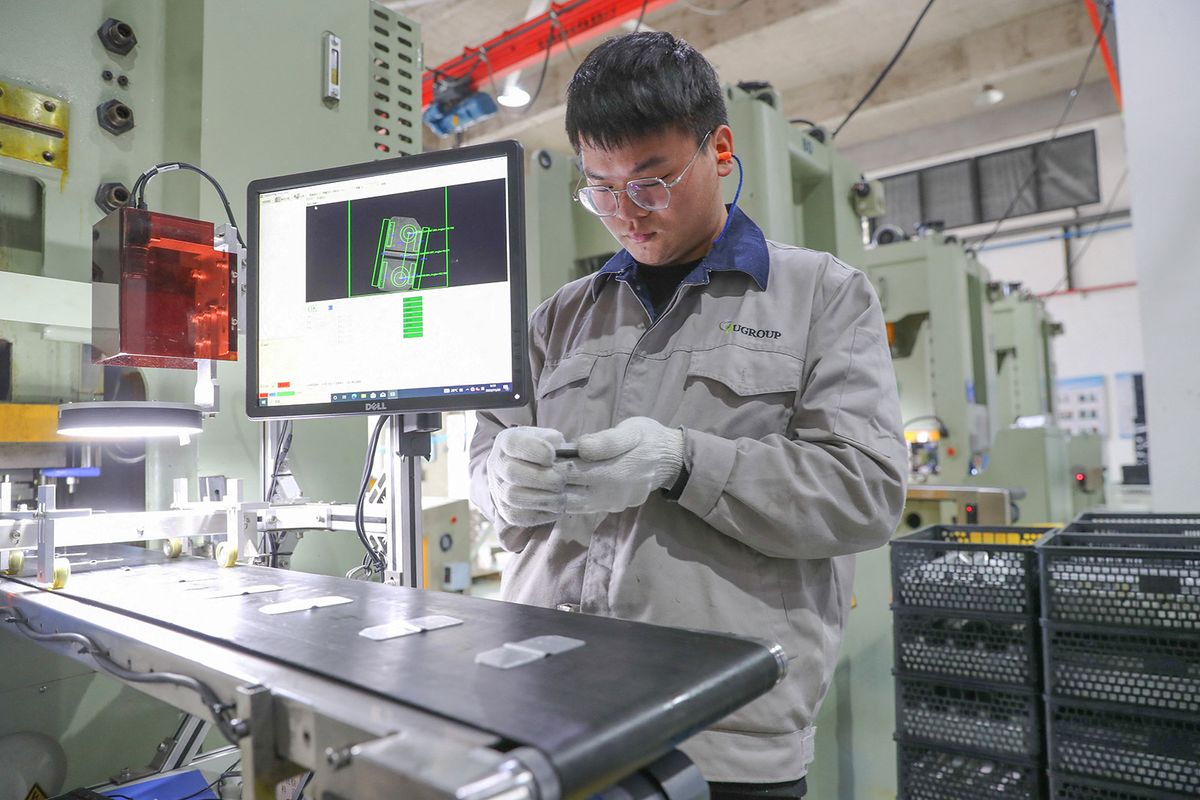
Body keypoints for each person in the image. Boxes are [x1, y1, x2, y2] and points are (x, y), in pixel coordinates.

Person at [468, 31, 906, 796]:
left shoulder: (821, 297)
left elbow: (866, 492)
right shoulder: (556, 322)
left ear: (721, 149)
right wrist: (499, 482)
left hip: (720, 736)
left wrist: (683, 461)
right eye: (599, 189)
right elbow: (485, 468)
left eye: (650, 182)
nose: (625, 215)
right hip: (547, 716)